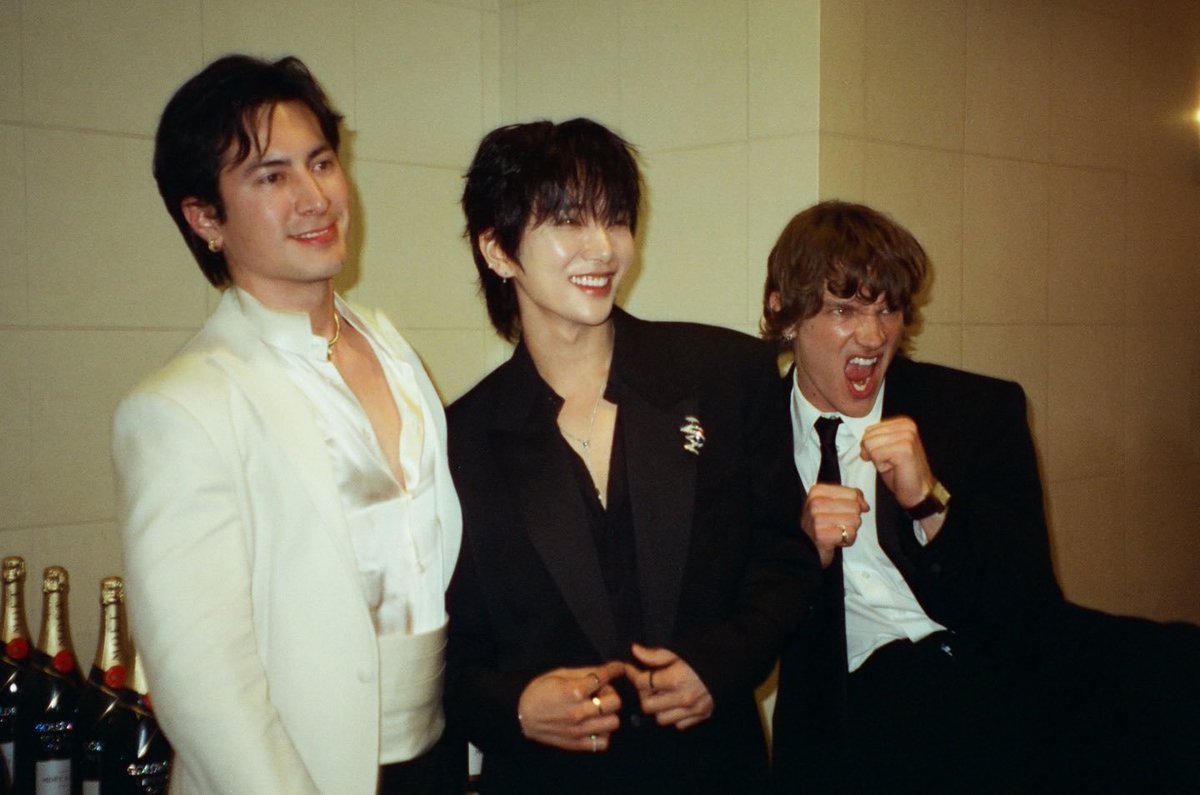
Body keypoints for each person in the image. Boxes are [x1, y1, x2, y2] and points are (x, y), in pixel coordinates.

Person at [111, 55, 462, 794]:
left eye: (322, 162)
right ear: (205, 216)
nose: (316, 198)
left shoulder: (393, 349)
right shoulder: (181, 406)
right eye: (271, 177)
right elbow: (205, 686)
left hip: (433, 758)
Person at [764, 200, 1200, 792]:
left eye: (888, 308)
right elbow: (741, 619)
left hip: (997, 668)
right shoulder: (746, 434)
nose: (873, 336)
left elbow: (1029, 601)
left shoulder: (973, 411)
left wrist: (929, 504)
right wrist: (801, 555)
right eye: (844, 309)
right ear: (784, 313)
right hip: (856, 711)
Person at [444, 118, 820, 794]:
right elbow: (447, 654)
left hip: (713, 771)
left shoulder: (725, 374)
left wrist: (720, 663)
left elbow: (785, 561)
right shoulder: (460, 439)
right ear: (498, 249)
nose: (603, 248)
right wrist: (519, 707)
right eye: (567, 222)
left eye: (615, 219)